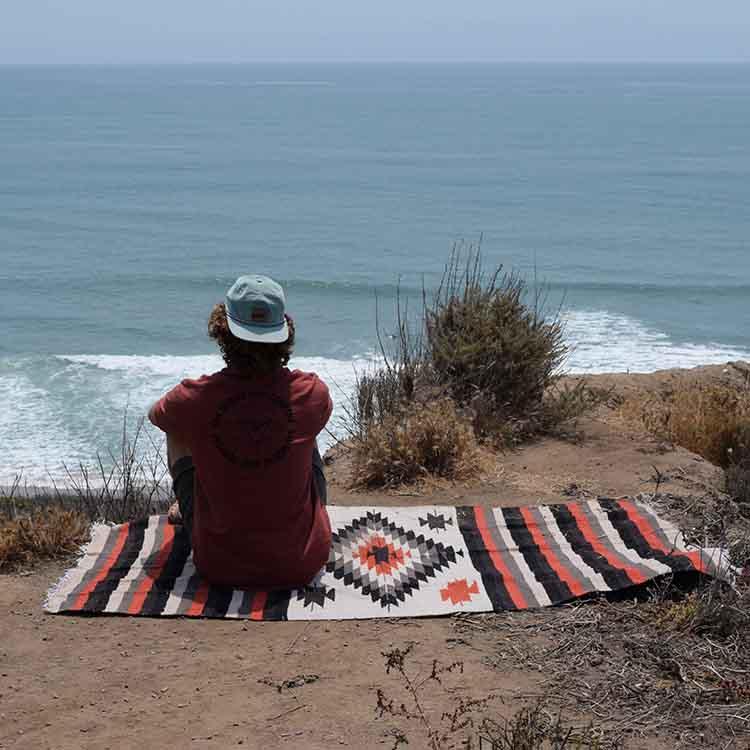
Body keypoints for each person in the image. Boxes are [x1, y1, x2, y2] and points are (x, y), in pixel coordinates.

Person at [148, 275, 333, 590]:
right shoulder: (310, 393)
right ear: (284, 331)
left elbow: (157, 415)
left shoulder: (195, 399)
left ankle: (190, 504)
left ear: (222, 330)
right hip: (301, 562)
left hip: (220, 565)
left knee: (177, 429)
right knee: (306, 428)